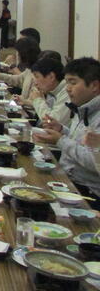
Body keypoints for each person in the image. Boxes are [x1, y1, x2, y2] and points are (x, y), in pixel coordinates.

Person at [33, 58, 100, 205]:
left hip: (86, 193)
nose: (68, 88)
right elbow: (80, 142)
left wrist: (60, 140)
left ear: (94, 85)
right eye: (67, 82)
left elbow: (94, 161)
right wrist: (62, 130)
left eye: (73, 82)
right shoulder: (82, 107)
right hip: (67, 178)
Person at [21, 57, 70, 126]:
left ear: (51, 77)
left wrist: (37, 100)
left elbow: (50, 121)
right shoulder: (53, 91)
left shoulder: (67, 92)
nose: (35, 83)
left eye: (37, 77)